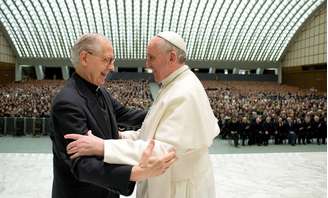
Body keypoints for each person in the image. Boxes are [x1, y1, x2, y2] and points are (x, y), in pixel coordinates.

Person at [65, 31, 220, 198]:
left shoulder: (185, 92)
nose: (147, 64)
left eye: (151, 58)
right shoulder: (174, 84)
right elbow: (152, 132)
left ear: (172, 57)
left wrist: (104, 146)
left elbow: (162, 150)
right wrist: (121, 137)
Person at [50, 33, 176, 198]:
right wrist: (136, 172)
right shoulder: (66, 103)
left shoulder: (100, 90)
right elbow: (83, 165)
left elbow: (125, 114)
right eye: (107, 60)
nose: (112, 67)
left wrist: (164, 113)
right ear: (84, 58)